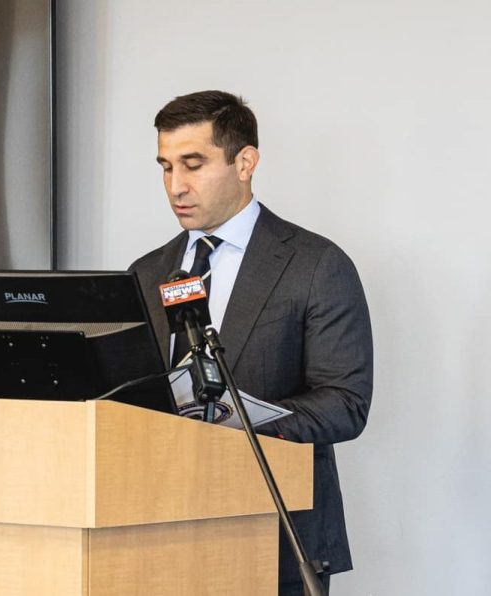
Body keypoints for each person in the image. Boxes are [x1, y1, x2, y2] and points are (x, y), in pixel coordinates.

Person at [129, 90, 373, 595]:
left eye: (193, 164)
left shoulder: (316, 265)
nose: (176, 186)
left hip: (275, 538)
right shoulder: (147, 272)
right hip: (156, 534)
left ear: (245, 163)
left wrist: (236, 418)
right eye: (166, 167)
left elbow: (345, 404)